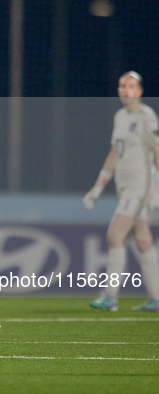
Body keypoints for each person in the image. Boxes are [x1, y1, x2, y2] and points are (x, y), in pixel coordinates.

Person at [83, 71, 159, 312]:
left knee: (115, 235)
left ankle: (110, 295)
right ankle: (157, 297)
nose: (126, 89)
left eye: (131, 86)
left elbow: (157, 151)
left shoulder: (146, 116)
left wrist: (157, 191)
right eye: (122, 85)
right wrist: (98, 187)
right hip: (124, 186)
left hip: (140, 187)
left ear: (140, 91)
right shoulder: (120, 116)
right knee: (143, 241)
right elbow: (114, 154)